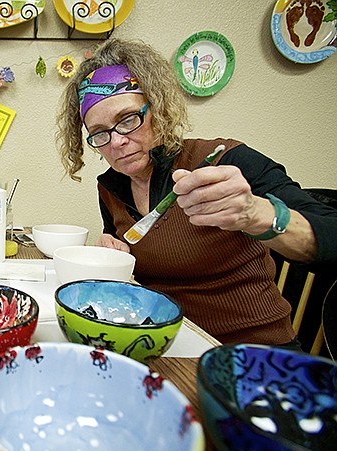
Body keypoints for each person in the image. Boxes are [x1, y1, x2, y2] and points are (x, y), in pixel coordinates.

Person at [56, 39, 337, 347]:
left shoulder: (224, 160)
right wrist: (116, 256)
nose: (116, 142)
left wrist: (255, 214)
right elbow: (136, 262)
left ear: (158, 108)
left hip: (250, 351)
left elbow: (331, 235)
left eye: (128, 119)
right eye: (99, 132)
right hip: (165, 343)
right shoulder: (111, 186)